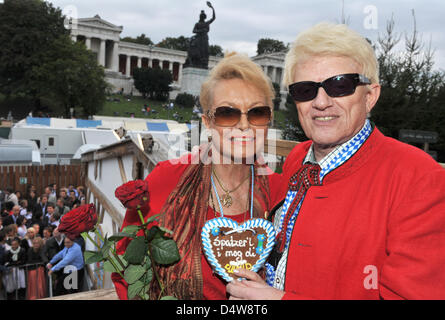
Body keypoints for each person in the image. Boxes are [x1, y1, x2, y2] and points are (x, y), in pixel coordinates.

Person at [226, 22, 445, 300]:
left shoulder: (418, 178)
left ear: (370, 96)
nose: (320, 102)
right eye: (305, 90)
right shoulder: (297, 159)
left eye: (339, 85)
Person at [112, 52, 282, 300]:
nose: (244, 125)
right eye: (227, 114)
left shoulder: (280, 192)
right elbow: (124, 267)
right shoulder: (167, 180)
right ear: (208, 122)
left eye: (257, 113)